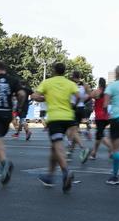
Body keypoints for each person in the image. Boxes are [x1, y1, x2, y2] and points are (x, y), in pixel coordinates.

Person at [31, 63, 79, 191]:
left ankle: (65, 172)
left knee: (58, 146)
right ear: (64, 71)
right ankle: (50, 177)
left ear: (53, 71)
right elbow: (79, 97)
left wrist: (45, 97)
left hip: (55, 119)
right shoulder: (70, 83)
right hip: (68, 118)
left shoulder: (48, 82)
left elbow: (34, 96)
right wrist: (72, 105)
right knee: (54, 148)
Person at [67, 72, 90, 163]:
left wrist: (74, 103)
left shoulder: (71, 84)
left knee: (71, 132)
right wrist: (83, 100)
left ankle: (83, 148)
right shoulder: (84, 85)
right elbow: (90, 94)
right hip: (81, 108)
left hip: (74, 108)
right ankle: (69, 152)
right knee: (74, 131)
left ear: (73, 77)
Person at [89, 78, 110, 160]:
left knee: (100, 136)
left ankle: (113, 149)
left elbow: (87, 97)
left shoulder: (96, 91)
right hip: (106, 117)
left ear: (99, 83)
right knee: (99, 135)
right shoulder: (107, 92)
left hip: (99, 117)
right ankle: (94, 153)